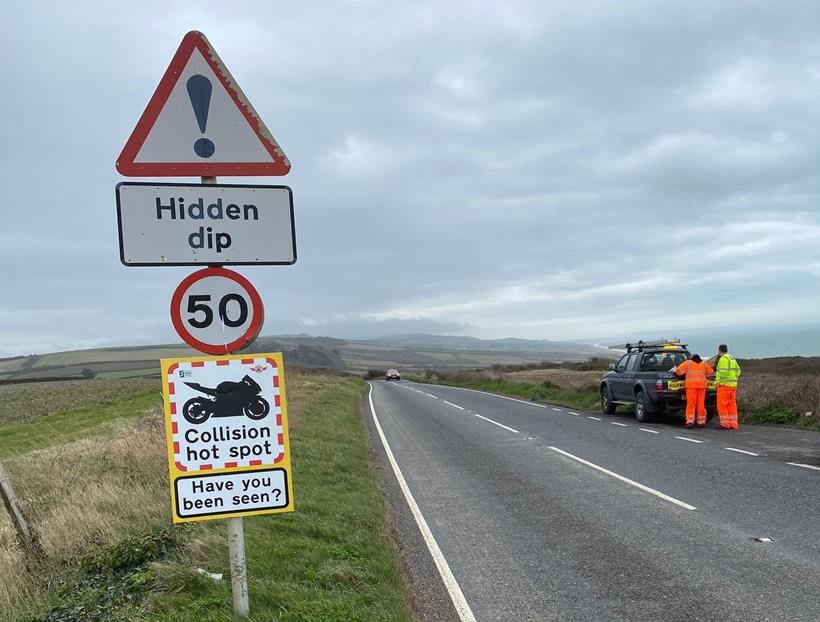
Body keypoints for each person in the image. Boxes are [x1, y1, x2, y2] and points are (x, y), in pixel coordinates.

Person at [672, 354, 714, 428]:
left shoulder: (688, 363)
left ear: (691, 357)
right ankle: (701, 422)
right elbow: (710, 373)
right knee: (700, 404)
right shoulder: (704, 363)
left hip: (691, 386)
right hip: (702, 386)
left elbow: (677, 372)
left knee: (691, 404)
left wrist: (676, 370)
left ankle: (690, 422)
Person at [715, 344, 741, 429]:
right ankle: (733, 424)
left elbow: (723, 373)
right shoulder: (732, 358)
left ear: (719, 350)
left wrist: (720, 382)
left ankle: (725, 424)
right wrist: (734, 378)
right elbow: (738, 370)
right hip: (733, 385)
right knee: (732, 405)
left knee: (722, 405)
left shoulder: (723, 359)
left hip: (724, 386)